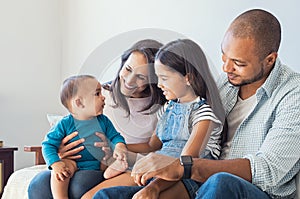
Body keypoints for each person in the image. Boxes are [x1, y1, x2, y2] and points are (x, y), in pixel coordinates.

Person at [115, 8, 300, 199]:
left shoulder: (293, 94)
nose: (226, 68)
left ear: (269, 60)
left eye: (238, 63)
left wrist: (185, 167)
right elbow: (179, 98)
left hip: (255, 192)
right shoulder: (226, 83)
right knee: (111, 196)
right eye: (224, 57)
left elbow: (267, 169)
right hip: (201, 183)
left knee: (221, 181)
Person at [28, 39, 166, 199]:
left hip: (120, 163)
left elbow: (155, 146)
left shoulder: (164, 106)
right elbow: (57, 137)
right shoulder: (98, 93)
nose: (129, 81)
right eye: (127, 69)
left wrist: (116, 149)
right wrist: (59, 152)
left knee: (79, 185)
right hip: (80, 160)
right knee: (39, 184)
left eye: (141, 77)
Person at [91, 39, 225, 199]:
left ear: (187, 78)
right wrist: (118, 147)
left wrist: (153, 187)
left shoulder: (204, 116)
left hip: (184, 179)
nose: (159, 85)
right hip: (158, 170)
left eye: (164, 78)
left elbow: (186, 164)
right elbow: (151, 145)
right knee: (104, 195)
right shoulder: (168, 109)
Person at [42, 75, 128, 198]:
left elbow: (115, 137)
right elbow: (48, 145)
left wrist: (120, 146)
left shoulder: (103, 121)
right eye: (97, 94)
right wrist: (55, 164)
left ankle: (111, 172)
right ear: (79, 102)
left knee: (117, 159)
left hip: (100, 163)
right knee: (62, 171)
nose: (103, 97)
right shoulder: (65, 123)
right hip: (74, 162)